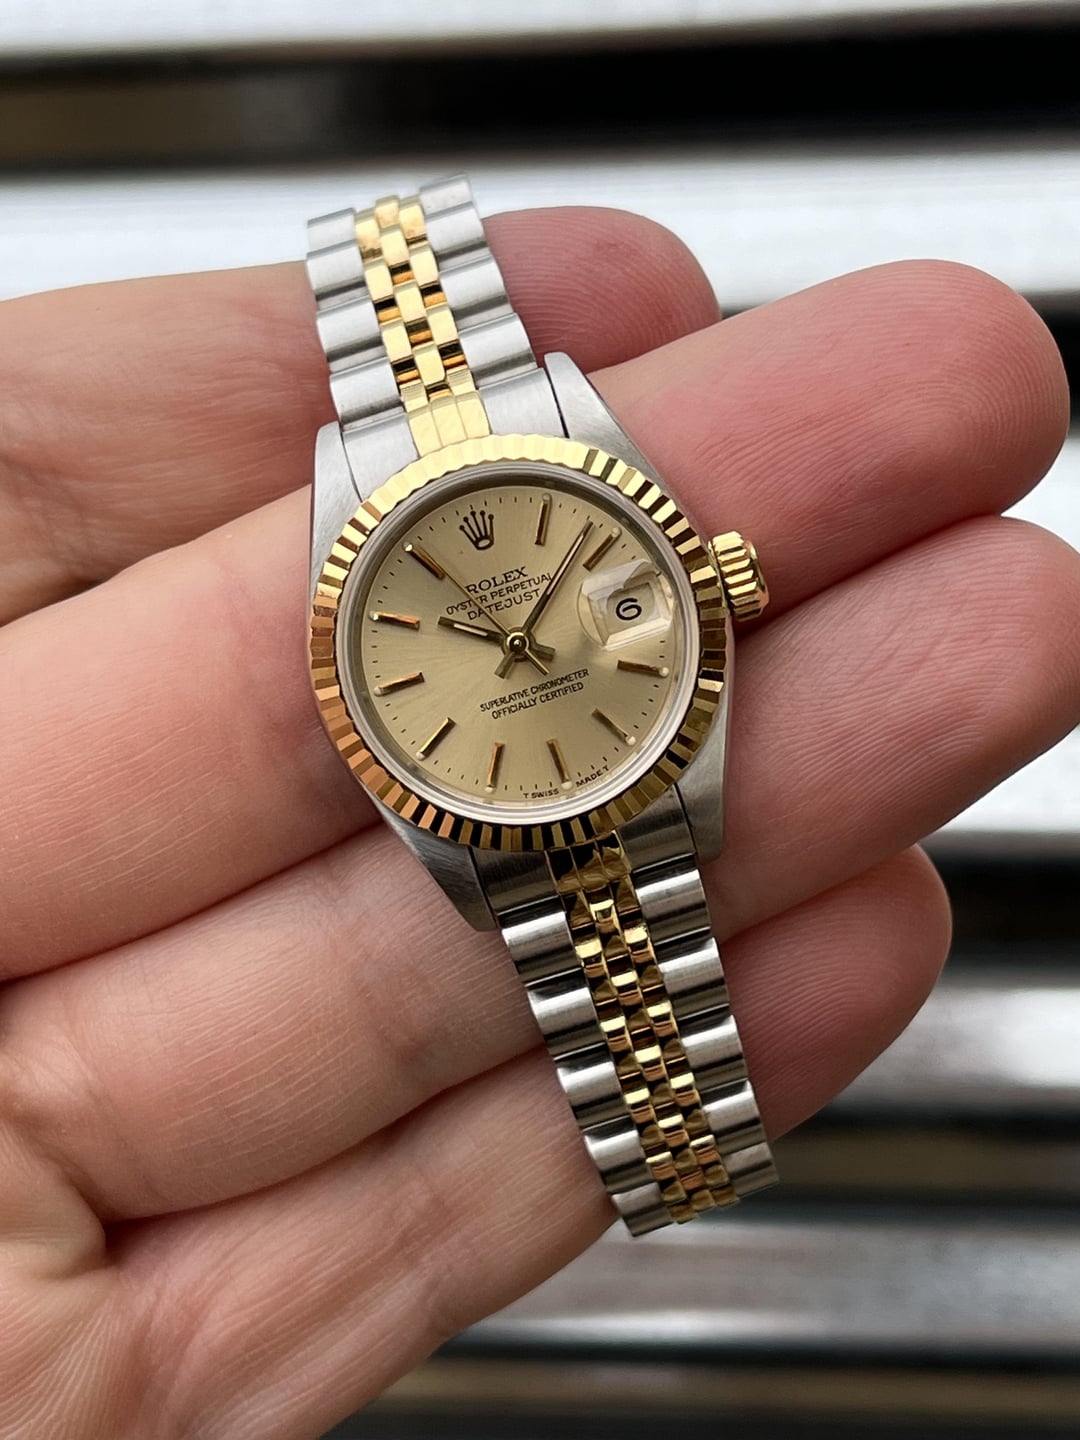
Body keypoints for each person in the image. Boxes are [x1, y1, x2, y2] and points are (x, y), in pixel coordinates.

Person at [0, 205, 1076, 1438]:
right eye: (498, 639)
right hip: (517, 779)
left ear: (711, 576)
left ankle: (679, 1149)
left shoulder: (580, 500)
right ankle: (677, 1150)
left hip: (595, 753)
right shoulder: (380, 594)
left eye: (527, 628)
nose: (518, 646)